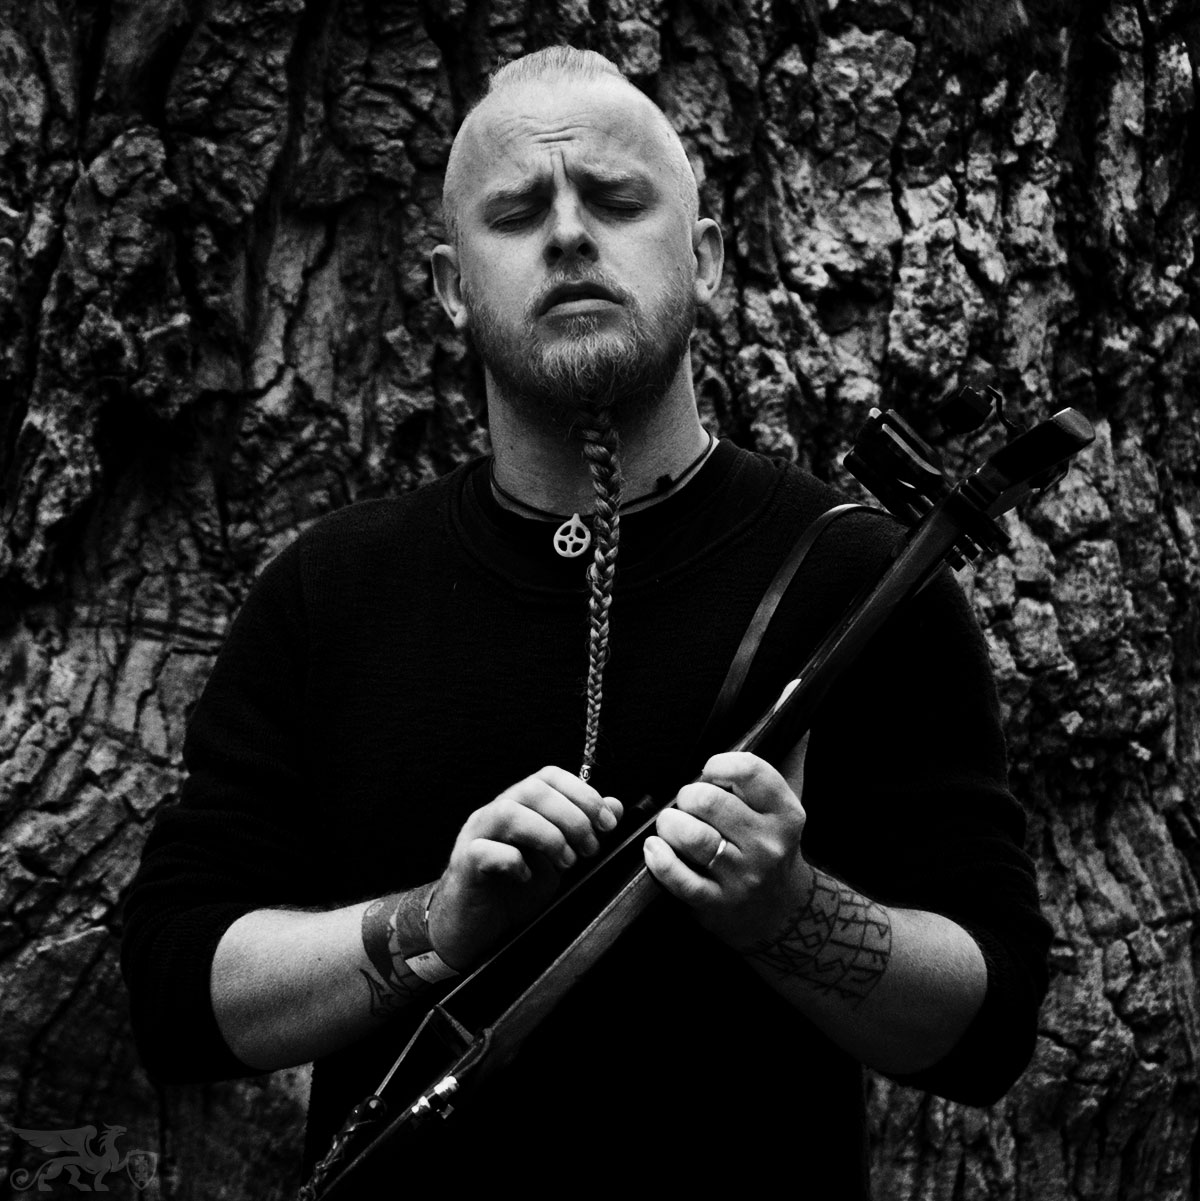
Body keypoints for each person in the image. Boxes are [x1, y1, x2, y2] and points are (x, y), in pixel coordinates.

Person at [121, 46, 1049, 1196]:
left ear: (706, 257)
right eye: (517, 213)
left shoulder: (863, 580)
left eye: (614, 199)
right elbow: (174, 993)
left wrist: (790, 912)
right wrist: (432, 926)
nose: (568, 235)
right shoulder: (331, 589)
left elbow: (992, 1026)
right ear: (451, 287)